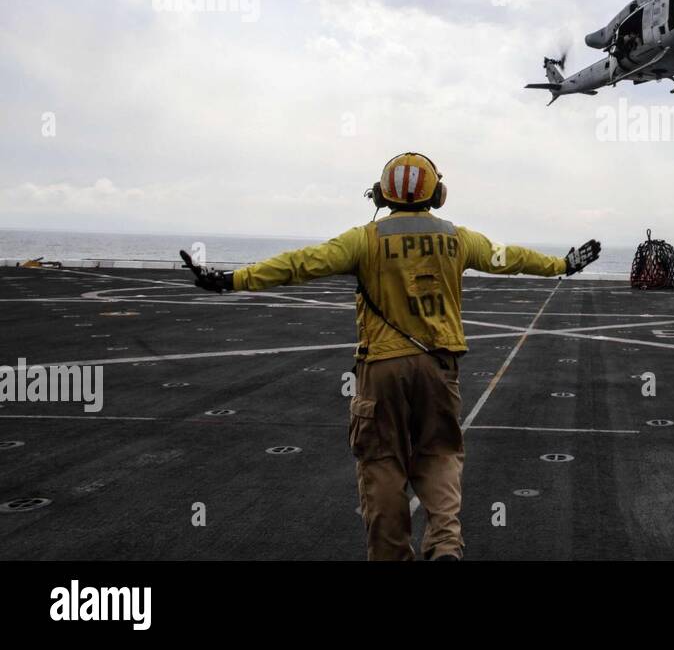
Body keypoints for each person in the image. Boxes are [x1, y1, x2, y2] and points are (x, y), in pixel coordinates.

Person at [184, 152, 601, 560]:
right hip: (439, 369)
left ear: (382, 196)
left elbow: (300, 264)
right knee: (439, 456)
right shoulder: (458, 238)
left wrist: (229, 279)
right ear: (437, 194)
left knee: (382, 464)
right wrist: (563, 263)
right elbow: (511, 258)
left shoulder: (364, 239)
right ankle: (445, 547)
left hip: (381, 370)